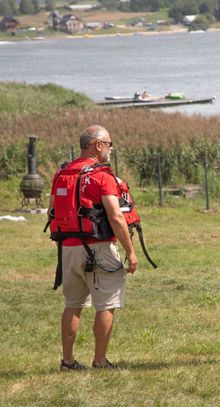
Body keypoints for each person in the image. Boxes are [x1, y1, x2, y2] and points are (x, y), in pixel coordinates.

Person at [48, 125, 138, 371]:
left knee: (72, 303)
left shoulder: (62, 173)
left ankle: (67, 362)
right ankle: (99, 361)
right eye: (109, 144)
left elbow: (52, 211)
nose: (110, 149)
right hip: (98, 248)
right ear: (98, 146)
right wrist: (130, 251)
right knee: (106, 303)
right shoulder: (101, 176)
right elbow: (116, 216)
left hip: (68, 248)